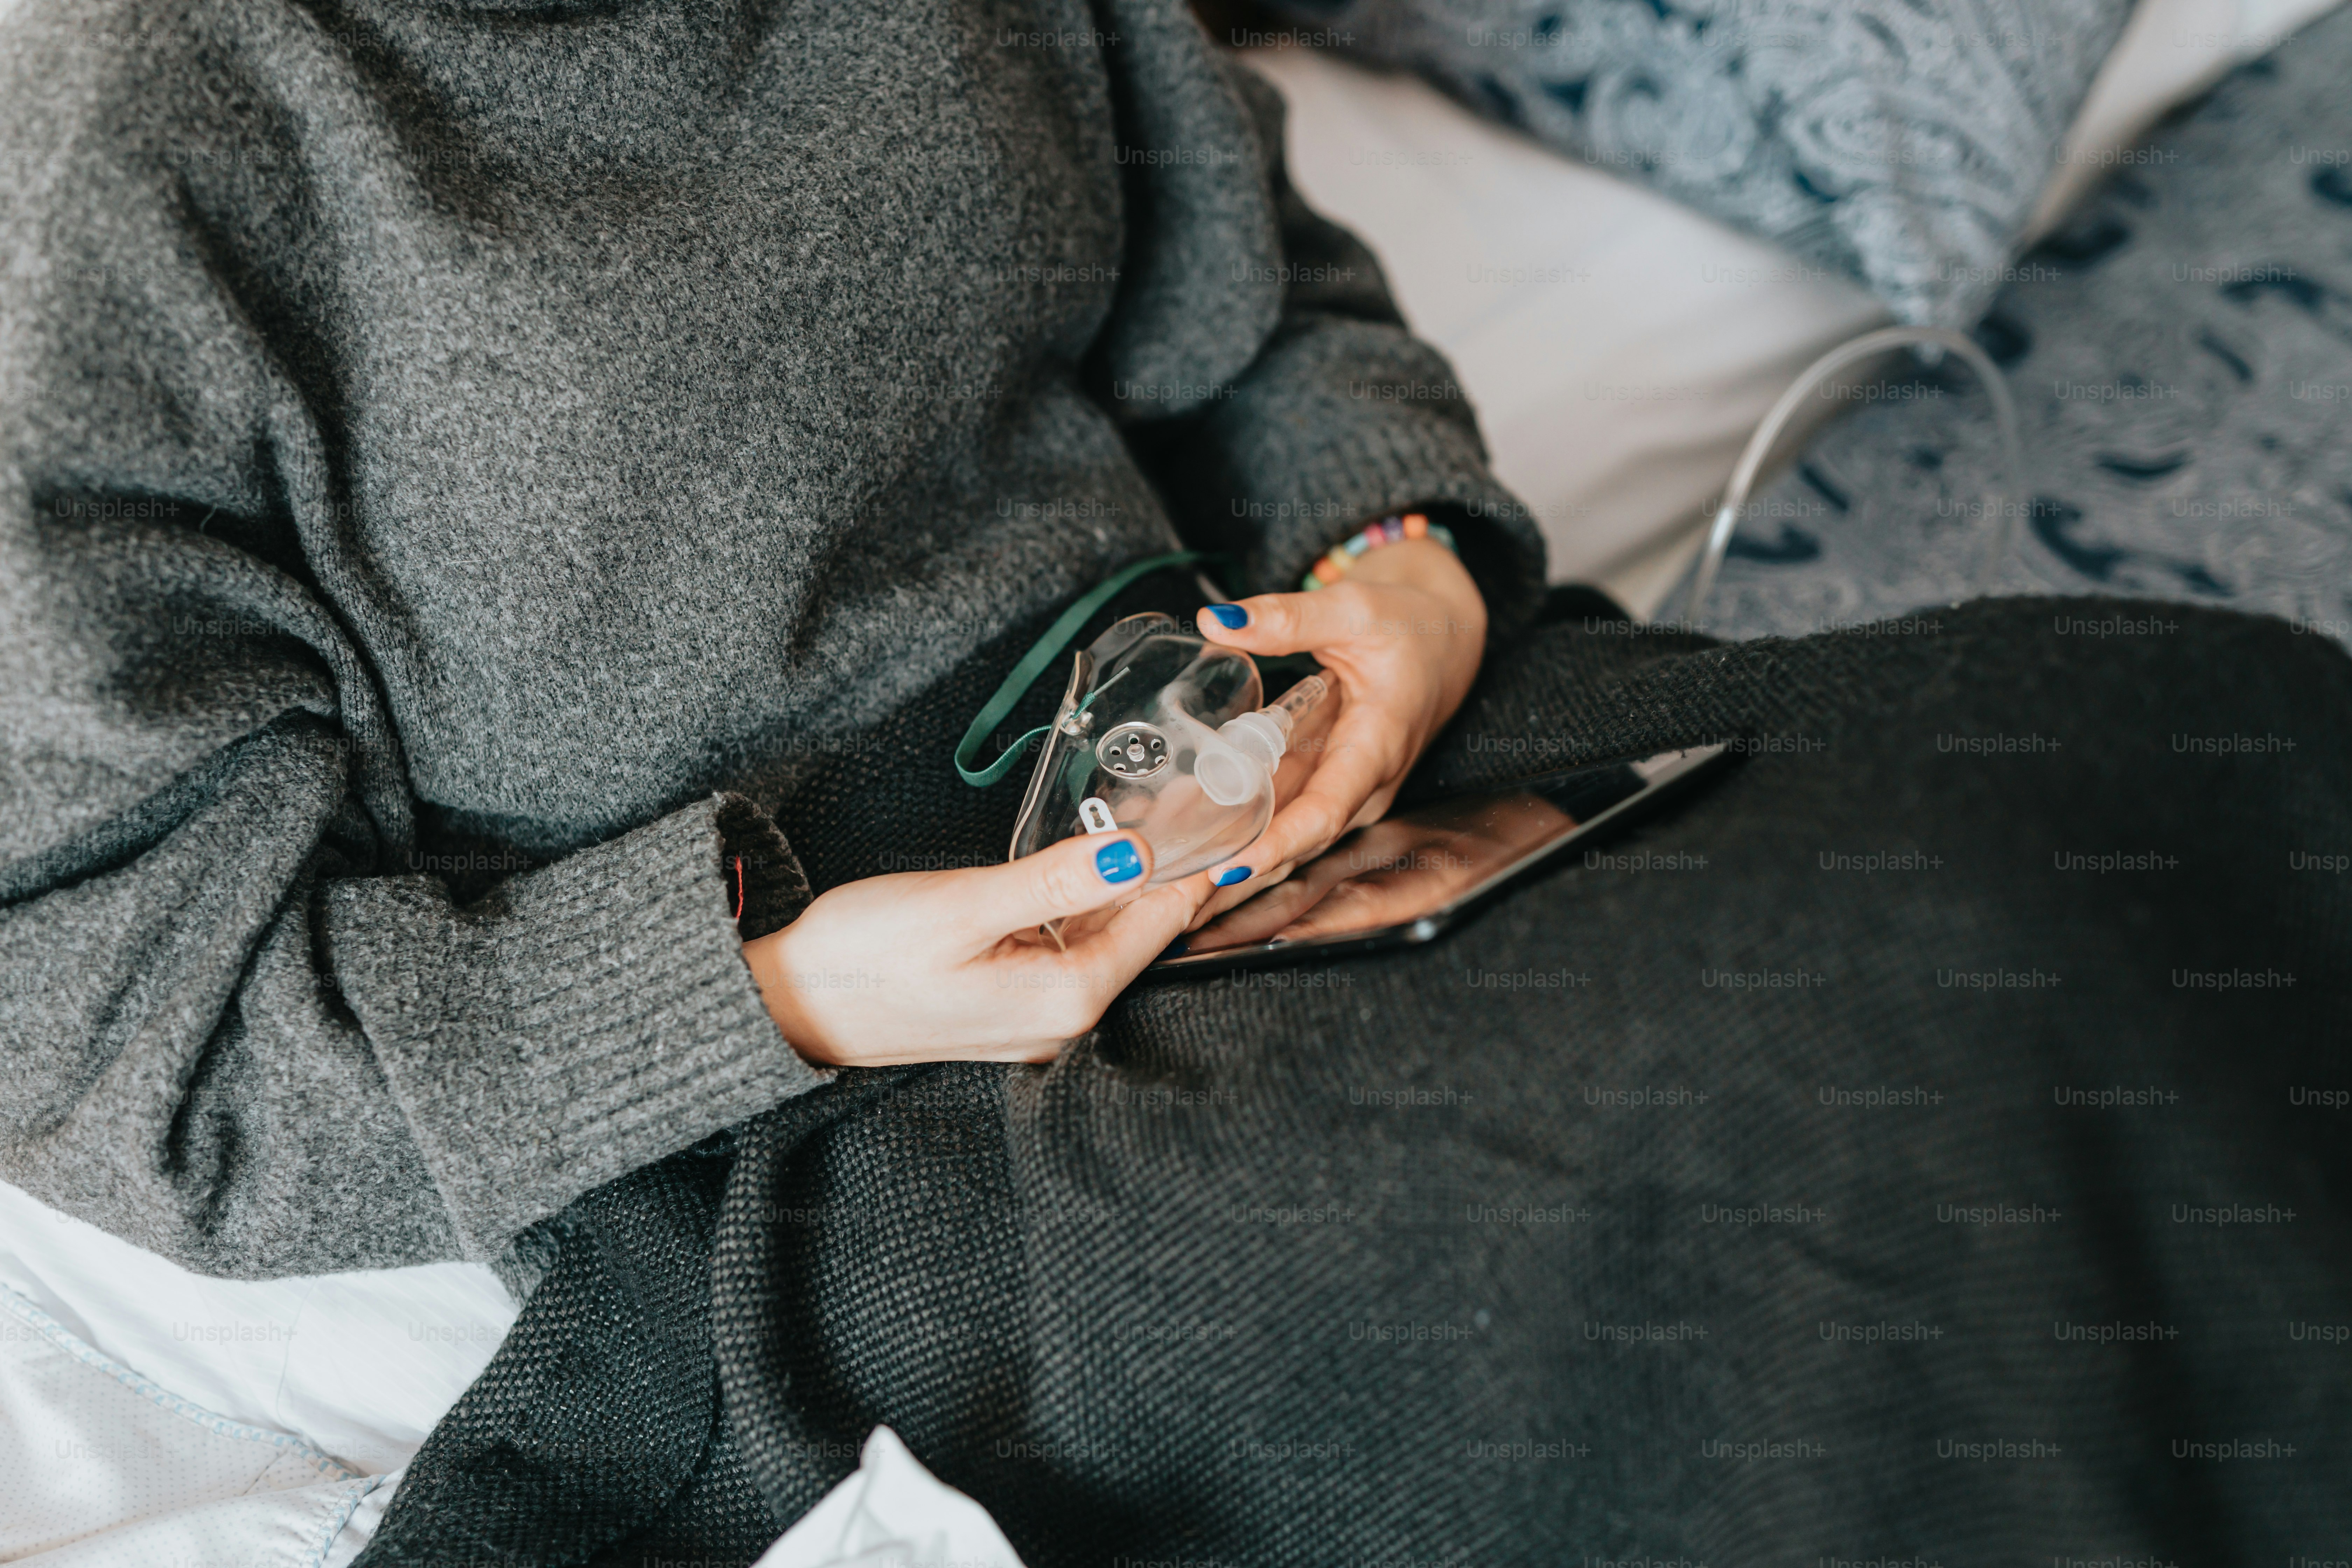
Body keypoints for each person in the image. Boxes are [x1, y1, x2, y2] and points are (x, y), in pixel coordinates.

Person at [2, 0, 2345, 1563]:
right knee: (1847, 1136)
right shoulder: (131, 152)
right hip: (831, 1113)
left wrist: (1407, 570)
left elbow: (1265, 307)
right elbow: (132, 1031)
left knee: (2188, 742)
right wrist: (786, 988)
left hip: (1283, 758)